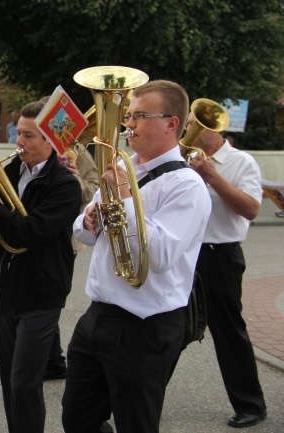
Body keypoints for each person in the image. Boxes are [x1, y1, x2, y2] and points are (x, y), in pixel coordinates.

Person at [61, 80, 212, 433]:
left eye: (140, 116)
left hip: (145, 325)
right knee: (77, 419)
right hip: (98, 315)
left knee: (137, 423)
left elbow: (159, 254)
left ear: (171, 123)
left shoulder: (186, 186)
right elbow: (82, 233)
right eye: (129, 115)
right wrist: (89, 218)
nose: (128, 124)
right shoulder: (123, 167)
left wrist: (125, 196)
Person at [0, 100, 82, 433]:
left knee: (24, 383)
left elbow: (30, 233)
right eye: (20, 133)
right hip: (2, 290)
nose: (19, 142)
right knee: (8, 383)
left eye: (28, 136)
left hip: (42, 294)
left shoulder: (65, 185)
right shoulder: (9, 172)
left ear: (51, 141)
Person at [187, 109, 267, 428]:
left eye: (195, 123)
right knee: (168, 328)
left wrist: (213, 176)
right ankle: (143, 396)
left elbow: (250, 209)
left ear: (215, 130)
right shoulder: (183, 158)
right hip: (186, 254)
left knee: (228, 331)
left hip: (220, 255)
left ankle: (251, 404)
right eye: (190, 122)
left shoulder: (241, 162)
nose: (190, 127)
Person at [45, 143, 99, 381]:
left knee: (50, 294)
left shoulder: (75, 150)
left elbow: (95, 188)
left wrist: (73, 180)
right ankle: (52, 358)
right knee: (42, 296)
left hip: (68, 237)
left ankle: (52, 359)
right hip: (39, 229)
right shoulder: (34, 145)